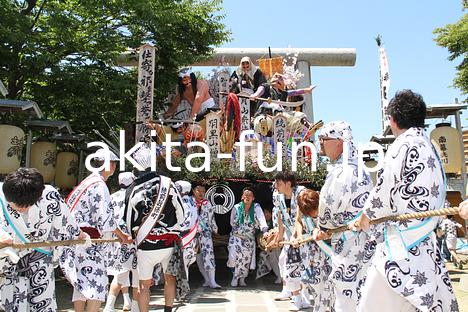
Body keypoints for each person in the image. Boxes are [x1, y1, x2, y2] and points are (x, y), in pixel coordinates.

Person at [352, 90, 459, 311]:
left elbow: (383, 189)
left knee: (370, 306)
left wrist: (365, 216)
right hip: (424, 239)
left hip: (402, 243)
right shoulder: (431, 147)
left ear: (392, 119)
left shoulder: (401, 145)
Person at [0, 167, 87, 311]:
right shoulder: (2, 195)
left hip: (40, 260)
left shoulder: (49, 194)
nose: (19, 209)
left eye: (24, 206)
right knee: (9, 303)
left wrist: (78, 234)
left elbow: (65, 221)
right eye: (13, 205)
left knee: (42, 303)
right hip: (8, 262)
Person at [60, 149, 132, 312]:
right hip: (88, 242)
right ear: (109, 165)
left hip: (75, 240)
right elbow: (105, 218)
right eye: (113, 163)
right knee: (96, 284)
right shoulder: (99, 185)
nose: (114, 166)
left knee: (80, 284)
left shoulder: (86, 182)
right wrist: (122, 235)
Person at [316, 120, 375, 312]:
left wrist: (322, 228)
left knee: (345, 294)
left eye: (324, 139)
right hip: (360, 239)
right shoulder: (357, 167)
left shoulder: (343, 171)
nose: (321, 143)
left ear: (339, 142)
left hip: (349, 240)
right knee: (359, 291)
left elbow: (328, 206)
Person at [123, 144, 187, 312]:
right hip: (168, 242)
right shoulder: (167, 183)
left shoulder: (133, 189)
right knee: (169, 279)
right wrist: (176, 228)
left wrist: (133, 235)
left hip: (146, 243)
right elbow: (181, 211)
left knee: (144, 285)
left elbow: (128, 220)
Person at [292, 188, 333, 312]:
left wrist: (326, 233)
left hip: (329, 251)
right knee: (316, 286)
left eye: (314, 213)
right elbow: (298, 221)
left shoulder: (327, 203)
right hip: (311, 253)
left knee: (331, 285)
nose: (312, 216)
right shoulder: (302, 205)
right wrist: (298, 236)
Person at [270, 171, 307, 311]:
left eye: (278, 183)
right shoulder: (277, 196)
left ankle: (300, 298)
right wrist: (279, 236)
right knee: (284, 261)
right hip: (290, 236)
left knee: (298, 266)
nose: (276, 186)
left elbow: (303, 218)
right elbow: (280, 216)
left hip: (304, 235)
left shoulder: (302, 193)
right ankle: (290, 291)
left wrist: (298, 235)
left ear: (288, 183)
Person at [104, 172, 136, 312]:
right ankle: (111, 306)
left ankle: (123, 302)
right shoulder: (133, 196)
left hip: (115, 237)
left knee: (121, 271)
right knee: (131, 272)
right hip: (129, 237)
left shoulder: (111, 197)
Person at [227, 187, 268, 287]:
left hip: (248, 239)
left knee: (245, 260)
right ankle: (234, 276)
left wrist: (265, 230)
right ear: (242, 196)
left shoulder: (256, 207)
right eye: (246, 195)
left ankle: (241, 278)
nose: (247, 197)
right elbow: (232, 222)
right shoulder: (236, 207)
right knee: (233, 258)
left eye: (250, 195)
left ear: (253, 198)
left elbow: (261, 219)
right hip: (236, 237)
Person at [192, 183, 221, 288]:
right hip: (192, 234)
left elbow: (211, 217)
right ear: (193, 191)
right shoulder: (189, 202)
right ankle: (206, 279)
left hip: (205, 233)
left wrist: (215, 229)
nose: (201, 193)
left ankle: (212, 281)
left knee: (209, 256)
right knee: (198, 258)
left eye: (203, 191)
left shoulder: (207, 203)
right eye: (198, 190)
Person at [175, 180, 199, 279]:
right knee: (185, 265)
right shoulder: (192, 201)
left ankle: (182, 289)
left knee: (182, 264)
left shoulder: (181, 202)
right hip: (191, 237)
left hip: (183, 237)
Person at [256, 208, 282, 284]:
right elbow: (258, 236)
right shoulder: (260, 223)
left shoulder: (275, 222)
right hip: (266, 247)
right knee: (272, 258)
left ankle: (281, 276)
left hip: (277, 244)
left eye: (268, 212)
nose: (266, 215)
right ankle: (278, 276)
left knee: (280, 257)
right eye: (265, 213)